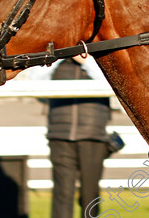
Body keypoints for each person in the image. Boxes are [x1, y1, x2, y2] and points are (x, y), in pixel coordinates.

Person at [47, 56, 112, 218]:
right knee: (62, 193)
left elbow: (109, 82)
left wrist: (86, 61)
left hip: (92, 134)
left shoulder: (99, 61)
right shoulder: (57, 62)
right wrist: (55, 56)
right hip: (59, 134)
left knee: (90, 194)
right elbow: (35, 82)